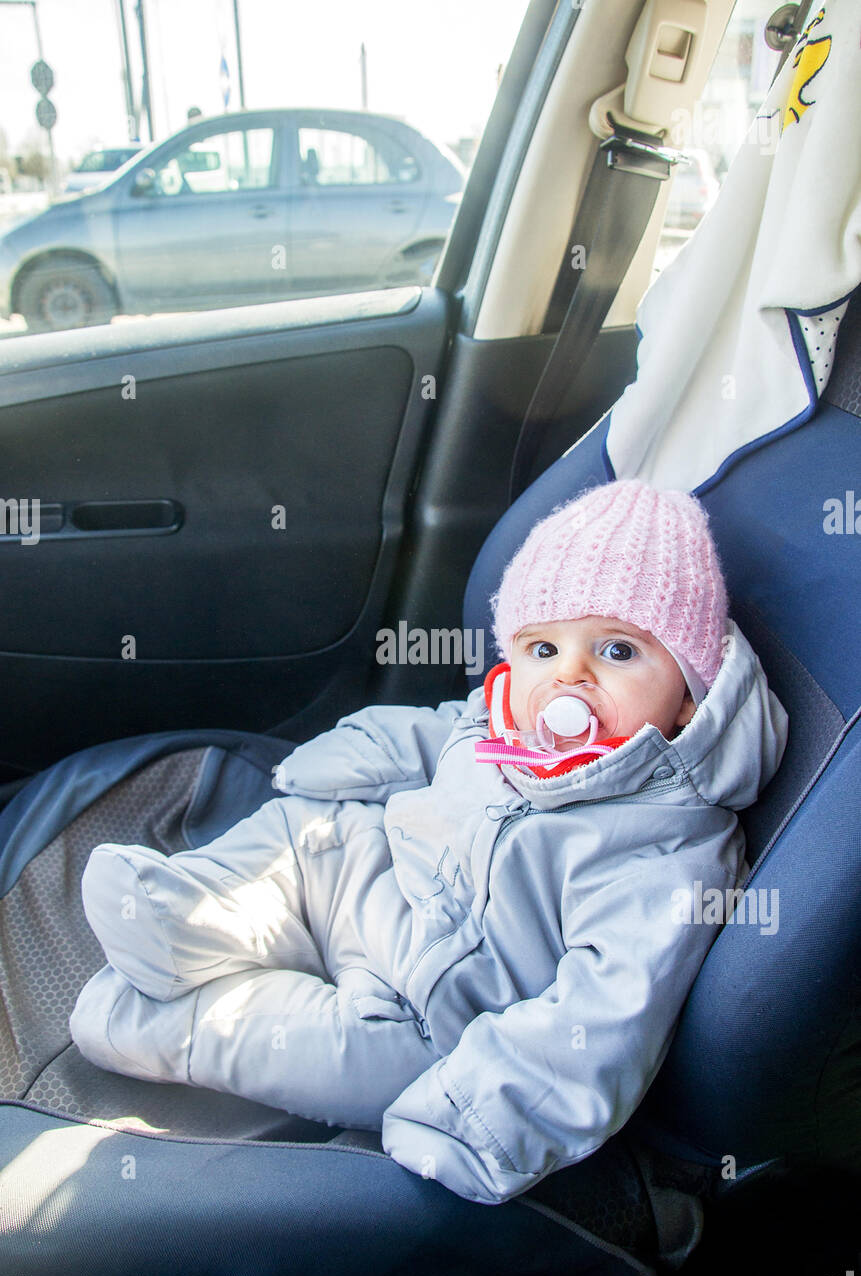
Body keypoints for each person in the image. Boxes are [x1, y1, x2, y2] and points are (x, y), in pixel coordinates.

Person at [69, 479, 788, 1204]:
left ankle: (154, 1023)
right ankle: (188, 917)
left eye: (616, 649)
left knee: (299, 1044)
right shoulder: (508, 721)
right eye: (542, 646)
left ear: (688, 695)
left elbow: (603, 1020)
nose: (568, 674)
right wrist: (348, 754)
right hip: (382, 881)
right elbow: (439, 732)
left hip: (430, 1013)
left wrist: (480, 1117)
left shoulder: (665, 851)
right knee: (307, 831)